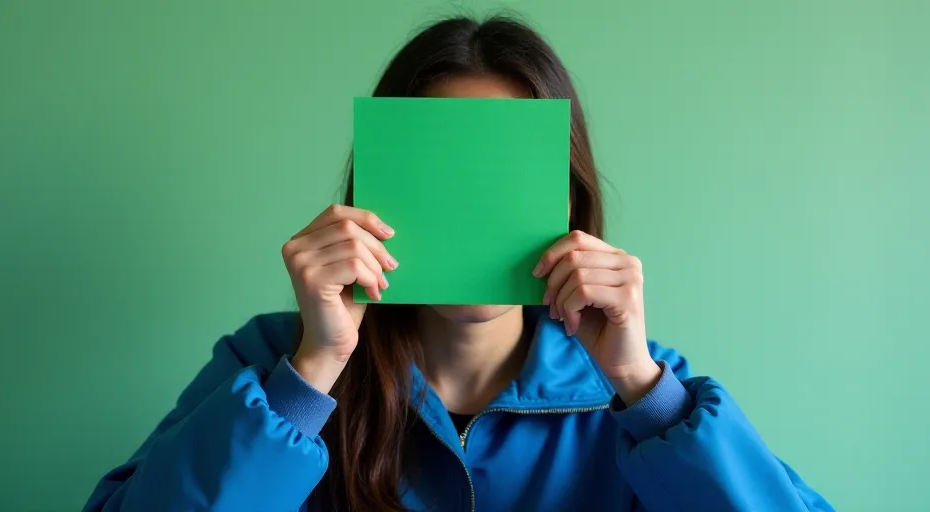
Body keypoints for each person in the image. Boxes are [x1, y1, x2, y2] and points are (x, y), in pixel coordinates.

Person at [84, 16, 833, 512]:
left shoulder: (642, 395)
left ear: (570, 205)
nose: (474, 218)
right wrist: (311, 375)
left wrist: (643, 391)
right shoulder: (270, 364)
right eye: (438, 178)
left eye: (507, 182)